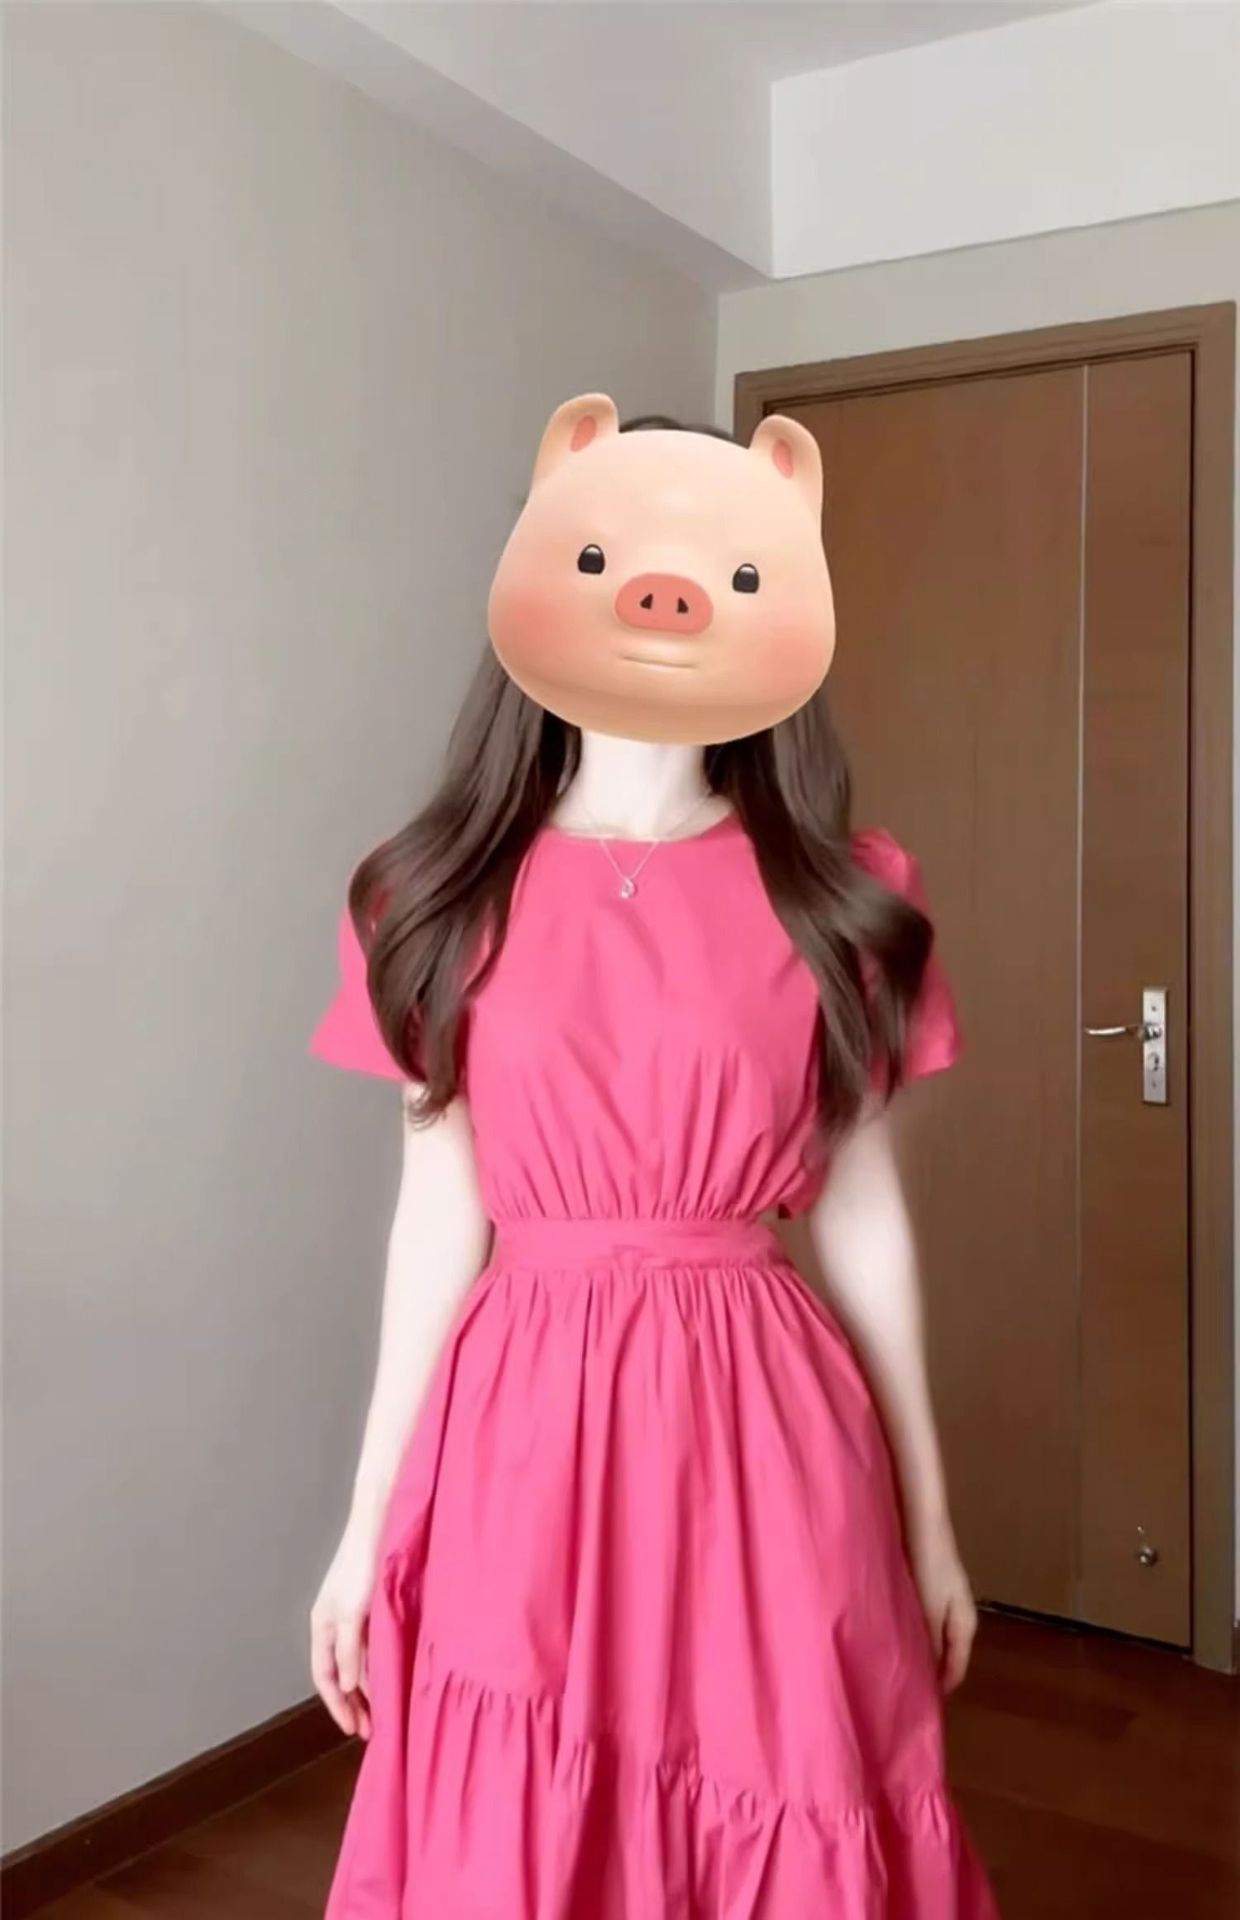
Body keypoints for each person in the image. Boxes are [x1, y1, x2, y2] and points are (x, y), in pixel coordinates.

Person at [308, 397, 999, 1916]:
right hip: (523, 1427)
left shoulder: (844, 896)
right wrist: (363, 1532)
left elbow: (863, 1218)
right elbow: (438, 1221)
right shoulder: (435, 895)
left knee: (786, 1776)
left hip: (762, 1422)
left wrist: (931, 1522)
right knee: (529, 1812)